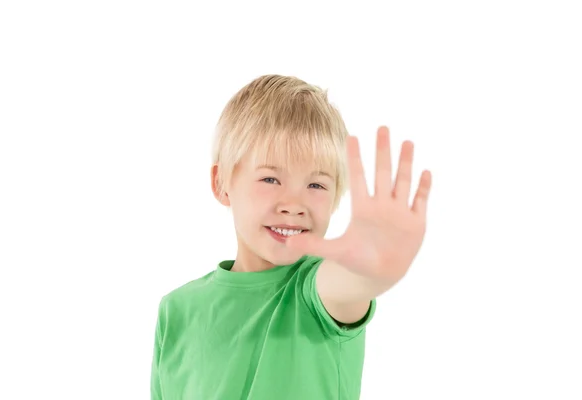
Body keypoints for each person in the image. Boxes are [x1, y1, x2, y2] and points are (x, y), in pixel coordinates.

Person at [150, 74, 432, 399]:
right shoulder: (176, 311)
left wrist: (371, 268)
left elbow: (348, 285)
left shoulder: (316, 292)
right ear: (222, 181)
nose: (293, 205)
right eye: (270, 179)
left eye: (316, 185)